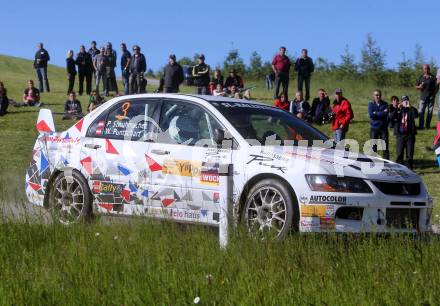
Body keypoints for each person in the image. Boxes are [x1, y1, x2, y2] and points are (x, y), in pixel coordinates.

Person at [389, 96, 418, 169]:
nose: (405, 102)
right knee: (399, 153)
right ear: (401, 102)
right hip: (400, 134)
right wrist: (397, 108)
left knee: (410, 153)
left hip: (410, 135)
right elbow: (391, 117)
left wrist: (410, 107)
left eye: (406, 100)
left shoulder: (411, 109)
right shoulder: (398, 109)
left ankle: (409, 168)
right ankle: (399, 168)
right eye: (404, 101)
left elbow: (416, 115)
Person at [368, 89, 390, 159]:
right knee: (374, 147)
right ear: (373, 96)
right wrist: (381, 113)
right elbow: (371, 115)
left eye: (379, 95)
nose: (378, 96)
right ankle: (373, 161)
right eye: (376, 95)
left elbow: (386, 114)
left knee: (385, 146)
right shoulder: (370, 104)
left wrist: (376, 113)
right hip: (374, 128)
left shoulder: (385, 104)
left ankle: (386, 162)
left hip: (383, 128)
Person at [416, 64, 437, 129]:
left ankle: (427, 126)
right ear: (423, 69)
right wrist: (419, 87)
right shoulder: (421, 77)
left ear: (429, 69)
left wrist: (434, 94)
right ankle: (421, 126)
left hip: (431, 97)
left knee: (430, 112)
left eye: (427, 68)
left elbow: (436, 86)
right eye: (425, 68)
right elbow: (416, 86)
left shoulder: (433, 77)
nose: (426, 70)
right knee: (421, 112)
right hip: (423, 97)